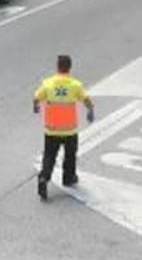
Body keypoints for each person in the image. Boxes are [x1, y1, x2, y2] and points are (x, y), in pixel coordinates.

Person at [33, 55, 94, 201]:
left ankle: (44, 177)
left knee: (49, 156)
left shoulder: (48, 84)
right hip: (69, 130)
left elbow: (36, 97)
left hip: (52, 129)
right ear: (69, 67)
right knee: (70, 156)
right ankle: (68, 178)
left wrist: (35, 106)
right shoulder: (75, 85)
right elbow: (86, 99)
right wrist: (90, 111)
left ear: (57, 66)